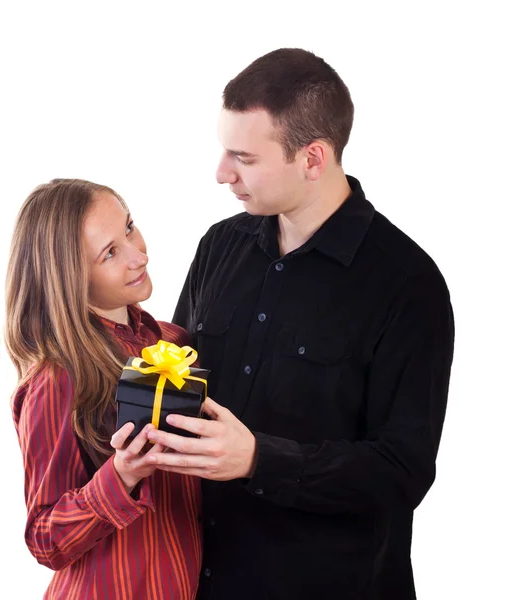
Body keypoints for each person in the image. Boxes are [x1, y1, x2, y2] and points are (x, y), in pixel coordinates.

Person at [144, 49, 455, 599]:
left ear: (313, 158)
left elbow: (402, 470)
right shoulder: (220, 245)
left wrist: (260, 460)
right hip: (202, 579)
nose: (221, 174)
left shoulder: (408, 282)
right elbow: (176, 379)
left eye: (243, 157)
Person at [5, 178, 202, 599]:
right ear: (70, 278)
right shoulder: (57, 378)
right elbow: (44, 537)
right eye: (109, 253)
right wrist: (121, 475)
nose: (139, 255)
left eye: (129, 227)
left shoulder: (175, 345)